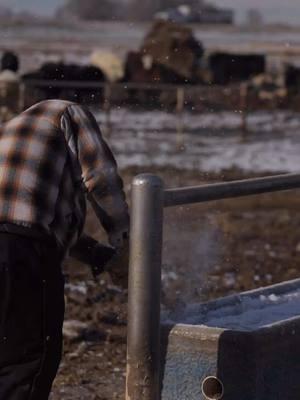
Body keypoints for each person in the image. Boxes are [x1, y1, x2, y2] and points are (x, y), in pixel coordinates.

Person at [0, 100, 130, 400]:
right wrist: (126, 243)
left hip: (16, 247)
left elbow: (36, 222)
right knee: (26, 367)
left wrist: (99, 256)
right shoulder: (68, 112)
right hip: (24, 258)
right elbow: (101, 177)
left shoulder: (13, 135)